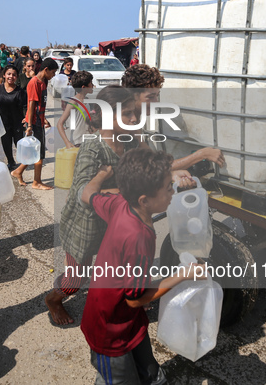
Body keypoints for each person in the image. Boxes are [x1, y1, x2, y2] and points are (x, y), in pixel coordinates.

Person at [46, 86, 193, 325]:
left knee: (120, 271)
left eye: (134, 112)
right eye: (127, 114)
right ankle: (53, 300)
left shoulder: (132, 140)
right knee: (76, 281)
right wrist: (135, 190)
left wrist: (173, 175)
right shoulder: (93, 147)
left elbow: (155, 165)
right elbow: (83, 191)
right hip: (86, 225)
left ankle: (130, 300)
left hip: (116, 223)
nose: (134, 119)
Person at [80, 148, 206, 385]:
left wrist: (99, 176)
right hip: (109, 330)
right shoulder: (138, 238)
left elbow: (88, 194)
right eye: (168, 187)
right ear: (144, 200)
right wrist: (183, 275)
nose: (173, 190)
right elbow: (135, 299)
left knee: (151, 375)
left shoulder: (119, 202)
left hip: (129, 320)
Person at [121, 64, 226, 170]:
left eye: (157, 95)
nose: (156, 102)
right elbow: (153, 167)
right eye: (150, 97)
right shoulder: (125, 125)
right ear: (132, 96)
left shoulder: (135, 121)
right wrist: (200, 155)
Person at [10, 58, 58, 190]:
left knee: (34, 151)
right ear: (46, 70)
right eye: (53, 72)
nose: (53, 75)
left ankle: (18, 172)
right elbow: (31, 104)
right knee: (39, 153)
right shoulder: (34, 83)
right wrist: (30, 125)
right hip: (34, 122)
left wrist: (45, 118)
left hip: (39, 120)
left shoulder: (44, 81)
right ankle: (36, 182)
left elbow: (40, 104)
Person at [0, 65, 27, 171]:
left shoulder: (20, 92)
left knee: (19, 144)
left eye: (14, 75)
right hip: (2, 123)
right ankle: (11, 162)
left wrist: (26, 118)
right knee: (6, 143)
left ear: (17, 77)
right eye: (9, 74)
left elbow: (26, 107)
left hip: (17, 122)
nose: (11, 76)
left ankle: (23, 164)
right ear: (4, 75)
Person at [56, 70, 94, 148]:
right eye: (91, 83)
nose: (93, 85)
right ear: (83, 87)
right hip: (78, 143)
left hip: (88, 141)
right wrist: (67, 142)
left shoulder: (87, 100)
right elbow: (60, 123)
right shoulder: (74, 102)